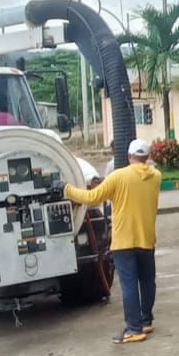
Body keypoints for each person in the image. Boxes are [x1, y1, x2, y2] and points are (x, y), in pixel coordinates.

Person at [61, 138, 162, 345]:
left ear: (129, 156)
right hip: (147, 239)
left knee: (129, 285)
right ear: (148, 156)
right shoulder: (156, 176)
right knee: (147, 281)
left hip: (124, 241)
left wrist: (67, 189)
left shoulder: (118, 176)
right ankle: (146, 320)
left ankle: (133, 329)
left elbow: (93, 198)